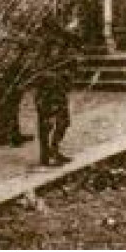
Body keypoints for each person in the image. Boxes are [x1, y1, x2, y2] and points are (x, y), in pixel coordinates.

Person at [33, 13, 79, 168]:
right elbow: (42, 68)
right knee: (52, 121)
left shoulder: (52, 42)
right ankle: (49, 153)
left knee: (59, 121)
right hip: (50, 87)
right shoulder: (49, 44)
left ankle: (50, 152)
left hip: (52, 87)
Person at [0, 34, 32, 148]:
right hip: (8, 84)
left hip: (13, 83)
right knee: (6, 108)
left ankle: (14, 133)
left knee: (13, 108)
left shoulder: (15, 57)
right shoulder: (5, 56)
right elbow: (3, 71)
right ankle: (5, 136)